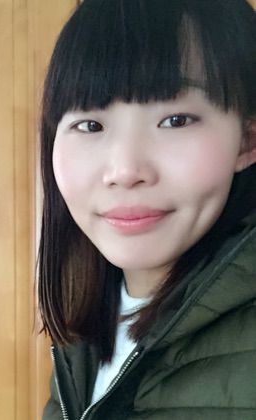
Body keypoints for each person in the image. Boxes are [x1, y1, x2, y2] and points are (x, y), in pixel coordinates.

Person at [37, 0, 256, 418]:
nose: (124, 171)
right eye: (90, 125)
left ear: (247, 141)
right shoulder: (82, 335)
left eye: (176, 120)